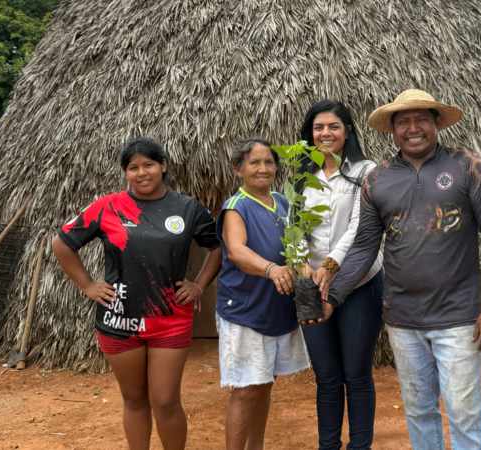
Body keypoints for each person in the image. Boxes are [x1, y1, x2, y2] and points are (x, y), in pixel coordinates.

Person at [328, 89, 481, 449]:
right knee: (419, 411)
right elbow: (364, 246)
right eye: (403, 122)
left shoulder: (469, 168)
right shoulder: (377, 180)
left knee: (464, 413)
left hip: (459, 318)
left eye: (421, 120)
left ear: (437, 123)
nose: (413, 129)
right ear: (393, 129)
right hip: (402, 320)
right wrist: (332, 295)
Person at [52, 137, 222, 450]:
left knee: (166, 400)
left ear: (163, 166)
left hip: (170, 319)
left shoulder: (187, 208)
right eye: (133, 168)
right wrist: (87, 285)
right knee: (134, 399)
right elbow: (61, 243)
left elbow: (217, 248)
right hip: (119, 320)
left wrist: (198, 286)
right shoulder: (107, 206)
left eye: (149, 165)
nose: (141, 173)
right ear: (125, 172)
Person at [296, 100, 384, 450]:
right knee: (326, 376)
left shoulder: (366, 171)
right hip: (310, 286)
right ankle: (328, 446)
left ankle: (360, 446)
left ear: (347, 130)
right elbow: (292, 225)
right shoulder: (302, 174)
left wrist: (329, 267)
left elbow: (360, 227)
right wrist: (302, 263)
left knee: (357, 374)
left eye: (333, 126)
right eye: (318, 127)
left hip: (360, 284)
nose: (325, 133)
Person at [216, 136, 312, 450]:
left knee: (265, 383)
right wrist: (272, 269)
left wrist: (304, 268)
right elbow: (236, 250)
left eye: (269, 162)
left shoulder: (281, 202)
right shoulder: (236, 206)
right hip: (247, 309)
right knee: (246, 389)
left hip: (275, 308)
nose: (263, 168)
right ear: (238, 169)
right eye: (254, 162)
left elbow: (294, 246)